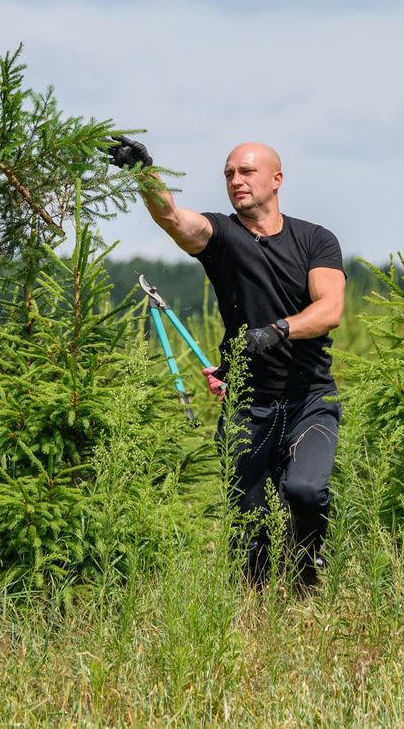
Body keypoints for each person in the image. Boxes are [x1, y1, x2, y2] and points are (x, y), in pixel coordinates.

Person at [109, 136, 345, 586]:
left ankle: (305, 578)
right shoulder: (222, 237)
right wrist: (144, 174)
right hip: (247, 402)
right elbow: (173, 217)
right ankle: (256, 617)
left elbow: (329, 308)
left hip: (309, 400)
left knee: (305, 491)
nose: (236, 180)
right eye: (229, 174)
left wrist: (277, 331)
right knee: (249, 529)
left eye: (247, 172)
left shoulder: (316, 240)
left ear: (276, 180)